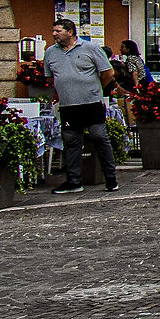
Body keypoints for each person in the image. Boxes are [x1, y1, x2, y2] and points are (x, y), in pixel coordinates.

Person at [43, 18, 119, 194]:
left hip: (91, 102)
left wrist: (95, 88)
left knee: (99, 137)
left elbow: (108, 73)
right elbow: (49, 76)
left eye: (58, 31)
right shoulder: (50, 52)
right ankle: (74, 181)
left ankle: (110, 178)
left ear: (70, 32)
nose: (54, 34)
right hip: (69, 105)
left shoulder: (90, 48)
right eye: (53, 30)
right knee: (71, 141)